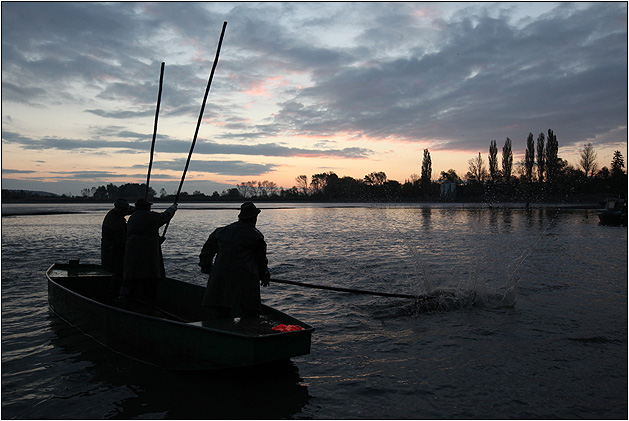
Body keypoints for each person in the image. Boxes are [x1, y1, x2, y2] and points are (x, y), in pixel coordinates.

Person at [199, 202, 271, 318]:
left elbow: (206, 253)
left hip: (220, 278)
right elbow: (261, 260)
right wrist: (264, 275)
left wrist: (206, 267)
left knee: (221, 314)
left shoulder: (221, 231)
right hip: (245, 281)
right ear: (254, 218)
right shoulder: (256, 236)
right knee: (250, 313)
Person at [120, 198, 177, 314]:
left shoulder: (133, 217)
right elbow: (165, 217)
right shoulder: (149, 216)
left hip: (132, 256)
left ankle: (124, 308)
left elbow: (144, 232)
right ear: (147, 207)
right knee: (149, 285)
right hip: (146, 257)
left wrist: (156, 240)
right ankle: (150, 311)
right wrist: (173, 208)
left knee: (130, 283)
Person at [101, 198, 133, 303]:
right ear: (119, 210)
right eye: (125, 210)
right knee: (119, 273)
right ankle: (113, 296)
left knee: (119, 273)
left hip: (113, 250)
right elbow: (123, 242)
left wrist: (139, 210)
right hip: (114, 251)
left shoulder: (114, 213)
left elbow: (129, 210)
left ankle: (116, 295)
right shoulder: (116, 223)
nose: (126, 212)